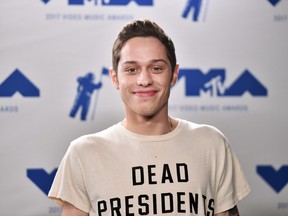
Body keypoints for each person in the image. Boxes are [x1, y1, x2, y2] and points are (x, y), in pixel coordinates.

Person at [48, 19, 251, 216]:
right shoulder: (83, 153)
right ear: (114, 78)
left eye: (156, 68)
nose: (144, 80)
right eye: (131, 69)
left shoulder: (212, 143)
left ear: (174, 74)